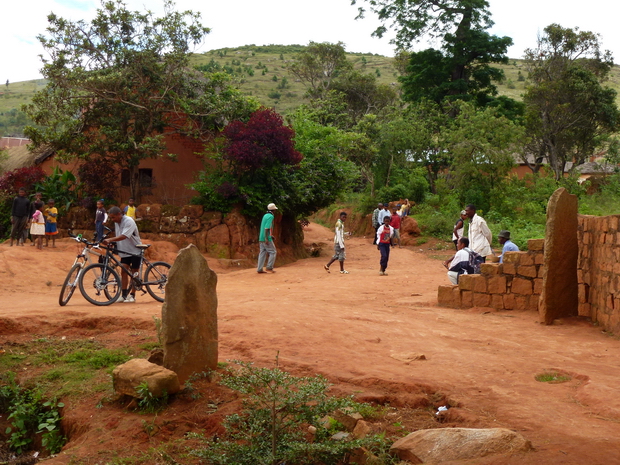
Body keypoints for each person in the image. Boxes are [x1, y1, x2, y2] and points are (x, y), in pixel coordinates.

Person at [103, 206, 142, 303]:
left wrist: (110, 239)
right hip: (124, 251)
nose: (112, 220)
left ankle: (133, 295)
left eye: (113, 217)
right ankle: (124, 295)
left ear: (119, 214)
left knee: (134, 273)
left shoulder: (129, 221)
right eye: (111, 217)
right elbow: (118, 235)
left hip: (135, 250)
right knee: (123, 272)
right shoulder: (117, 222)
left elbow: (124, 235)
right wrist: (114, 243)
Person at [257, 203, 278, 274]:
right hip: (266, 238)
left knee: (262, 252)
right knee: (273, 252)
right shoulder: (271, 216)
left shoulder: (265, 215)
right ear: (274, 210)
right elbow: (267, 227)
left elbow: (264, 227)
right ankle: (269, 267)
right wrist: (267, 238)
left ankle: (259, 269)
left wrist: (270, 235)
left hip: (261, 237)